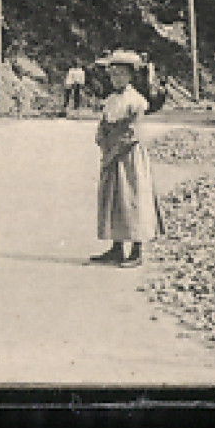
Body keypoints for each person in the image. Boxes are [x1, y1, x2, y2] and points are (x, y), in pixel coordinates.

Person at [91, 50, 157, 268]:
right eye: (113, 75)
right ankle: (117, 247)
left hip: (129, 155)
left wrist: (114, 149)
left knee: (132, 198)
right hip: (111, 153)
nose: (116, 78)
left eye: (121, 74)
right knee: (113, 199)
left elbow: (132, 132)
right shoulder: (110, 100)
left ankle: (137, 250)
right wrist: (102, 141)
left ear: (130, 76)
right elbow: (103, 125)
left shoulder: (136, 100)